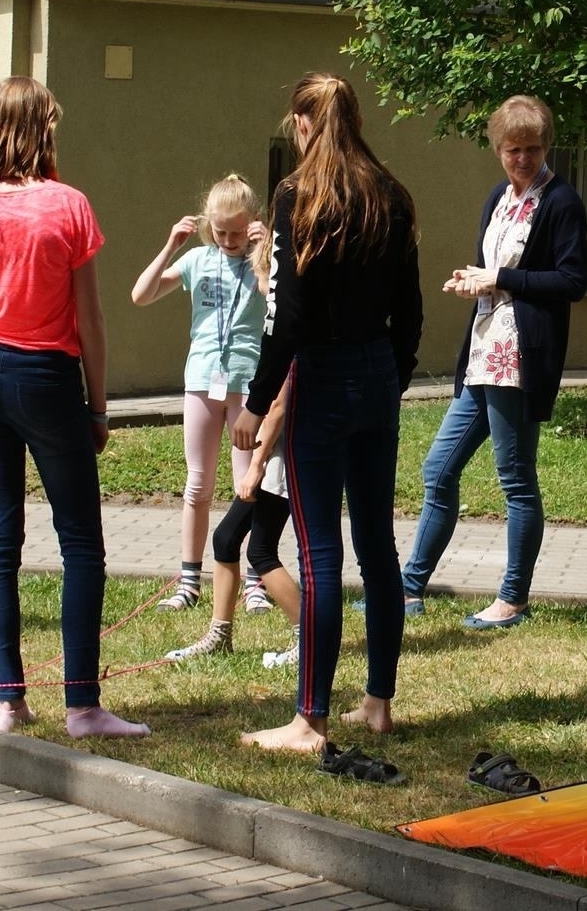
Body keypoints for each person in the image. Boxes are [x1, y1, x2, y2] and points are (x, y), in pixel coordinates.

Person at [0, 76, 149, 740]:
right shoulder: (68, 205)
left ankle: (10, 700)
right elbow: (90, 319)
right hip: (46, 378)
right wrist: (98, 407)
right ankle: (83, 706)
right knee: (80, 541)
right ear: (42, 130)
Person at [233, 72, 422, 753]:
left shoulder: (297, 194)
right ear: (357, 120)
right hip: (377, 375)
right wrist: (391, 378)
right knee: (378, 548)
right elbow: (411, 308)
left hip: (322, 378)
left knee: (318, 555)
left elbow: (285, 316)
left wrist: (257, 403)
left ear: (302, 124)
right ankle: (377, 703)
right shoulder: (390, 193)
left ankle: (308, 719)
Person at [397, 95, 586, 629]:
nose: (522, 159)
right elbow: (494, 271)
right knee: (438, 470)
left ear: (546, 147)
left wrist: (498, 278)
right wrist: (473, 281)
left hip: (519, 359)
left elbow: (572, 281)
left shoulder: (562, 201)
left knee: (515, 479)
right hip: (483, 353)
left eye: (532, 149)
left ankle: (512, 599)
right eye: (512, 150)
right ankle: (408, 590)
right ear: (498, 149)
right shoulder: (499, 199)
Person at [128, 176, 270, 615]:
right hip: (203, 381)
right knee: (198, 484)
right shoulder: (197, 260)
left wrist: (265, 253)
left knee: (249, 485)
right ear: (209, 225)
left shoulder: (261, 261)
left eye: (237, 232)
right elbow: (141, 295)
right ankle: (189, 579)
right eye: (220, 232)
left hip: (248, 384)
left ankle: (255, 581)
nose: (228, 241)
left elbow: (275, 299)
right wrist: (170, 246)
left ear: (252, 223)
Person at [165, 377, 303, 666]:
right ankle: (219, 637)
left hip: (283, 454)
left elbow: (279, 405)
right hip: (275, 449)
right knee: (226, 538)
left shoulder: (291, 347)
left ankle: (308, 640)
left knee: (261, 551)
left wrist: (256, 465)